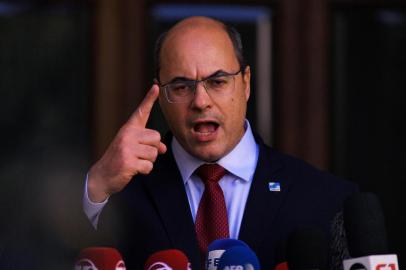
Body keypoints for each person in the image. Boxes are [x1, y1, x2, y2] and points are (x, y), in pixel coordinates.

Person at [82, 16, 357, 269]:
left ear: (246, 83)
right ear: (161, 96)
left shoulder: (326, 199)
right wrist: (97, 185)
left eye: (218, 82)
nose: (200, 101)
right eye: (181, 87)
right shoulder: (122, 196)